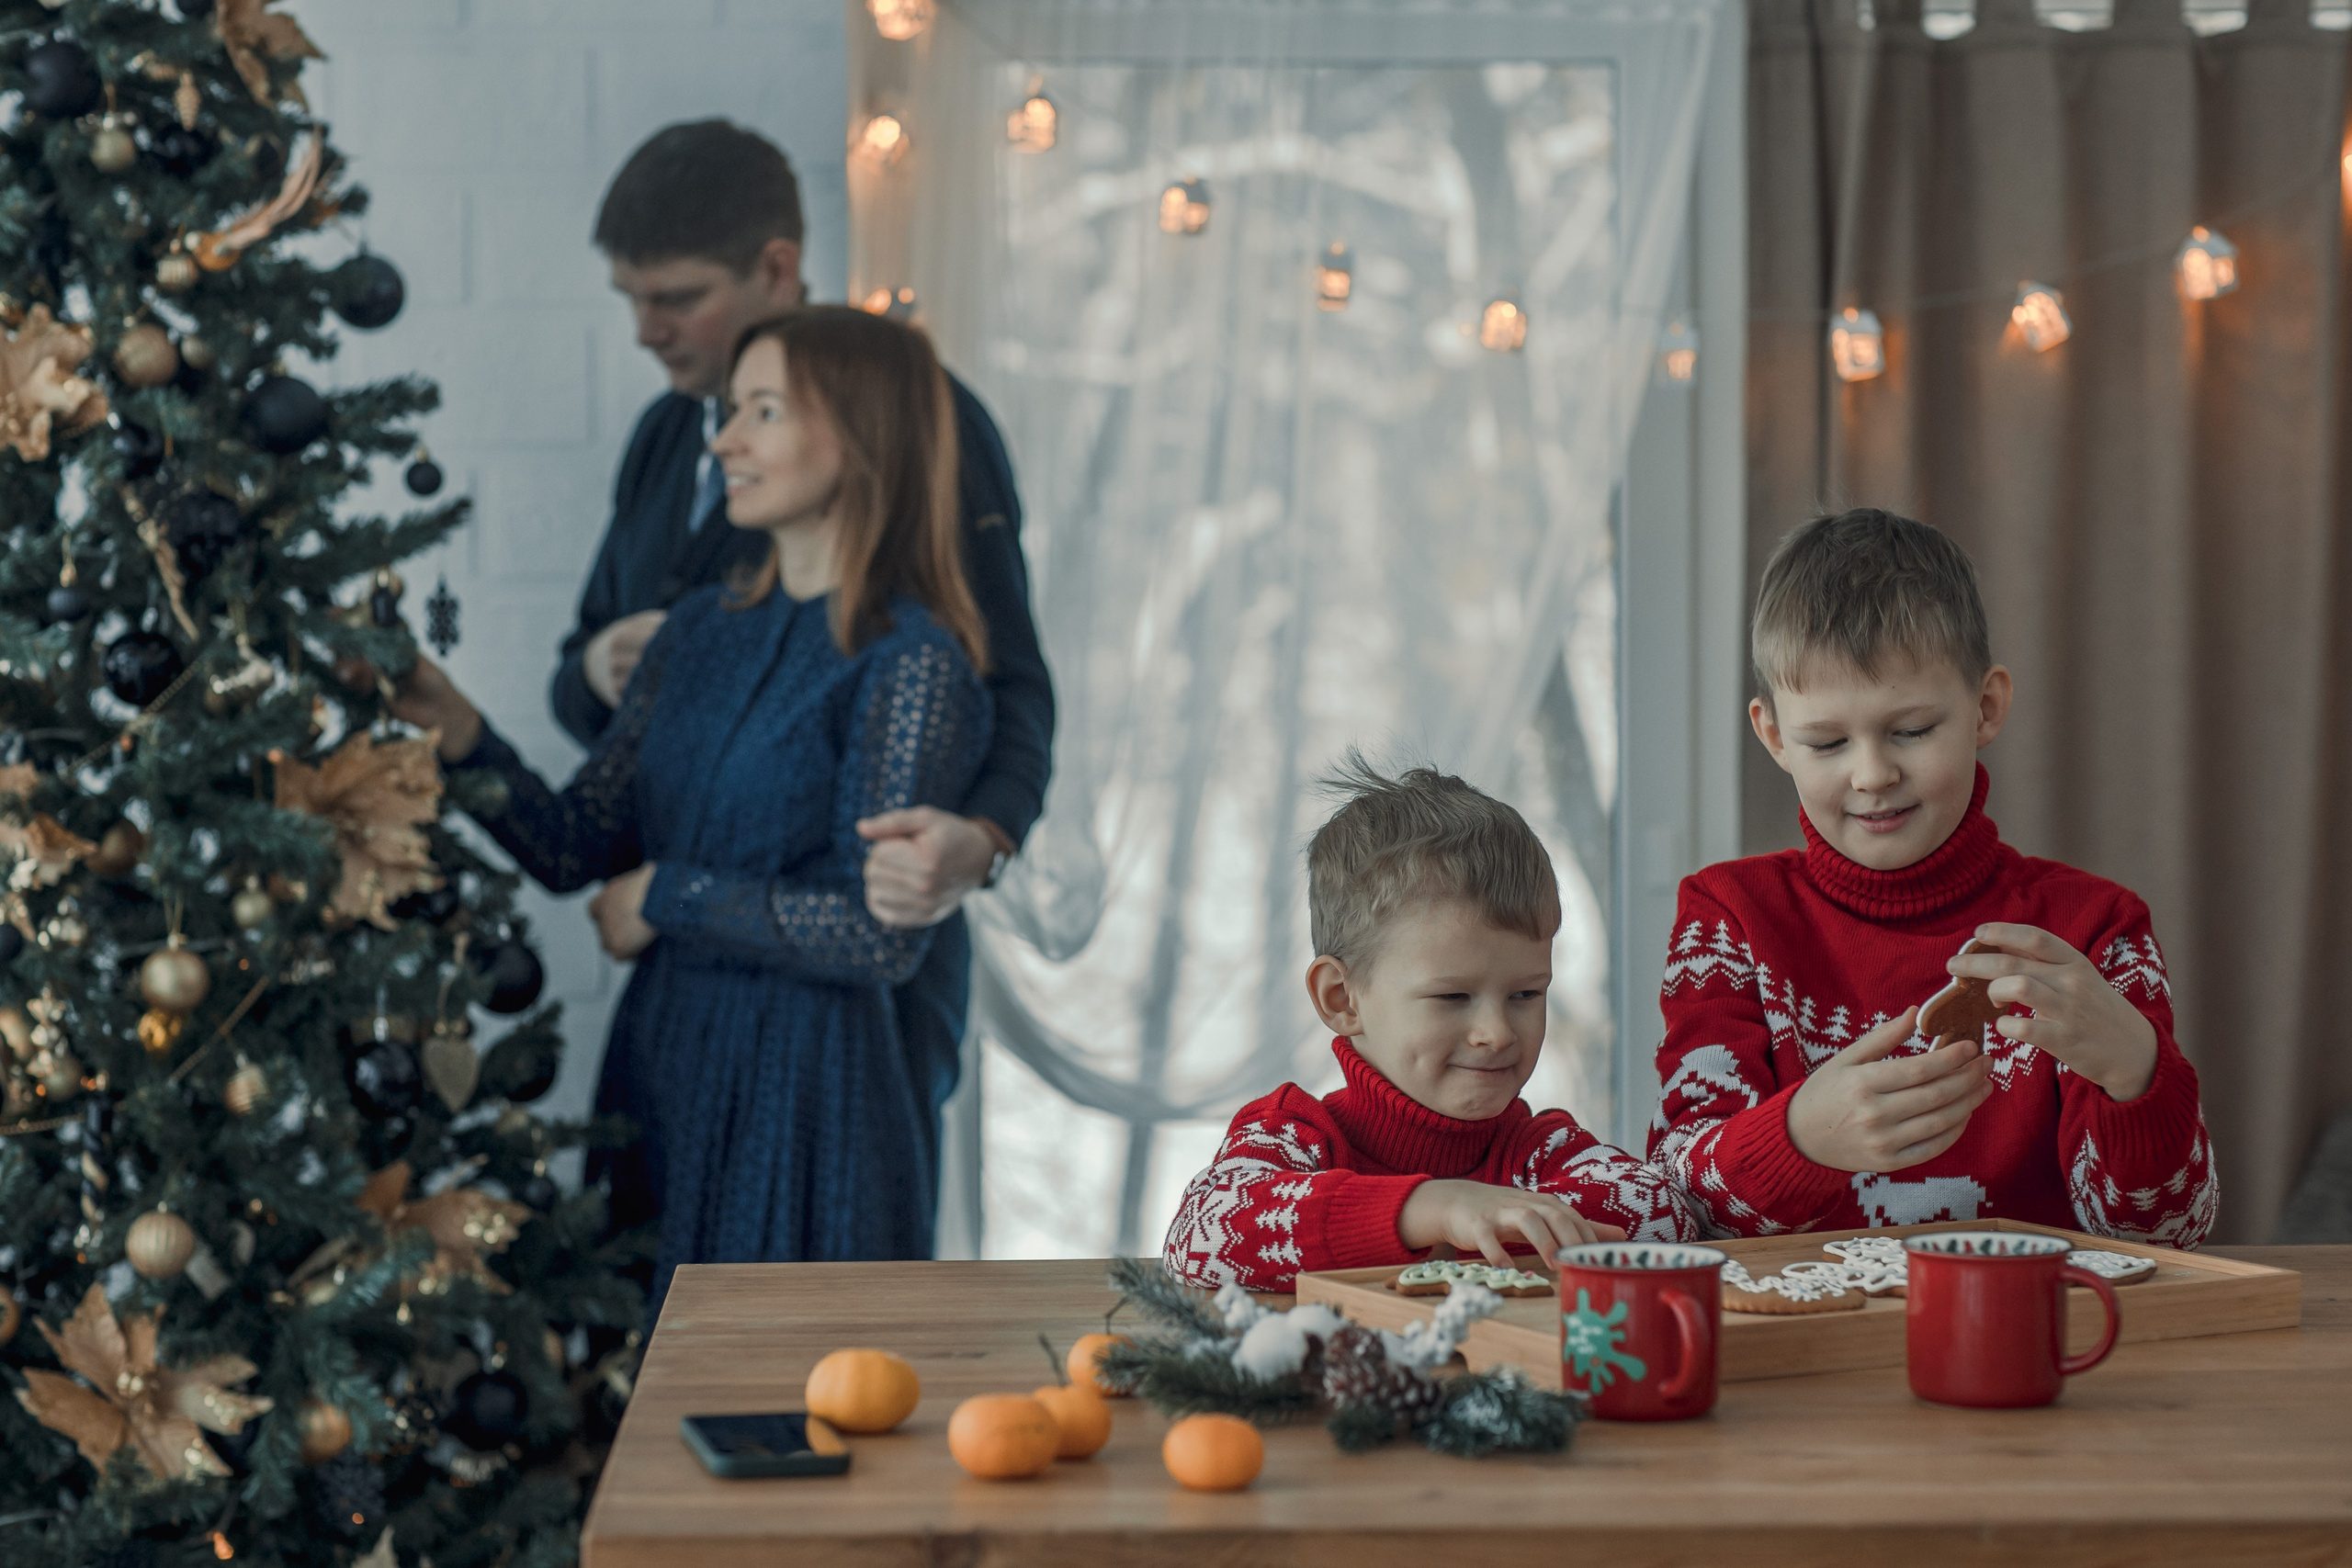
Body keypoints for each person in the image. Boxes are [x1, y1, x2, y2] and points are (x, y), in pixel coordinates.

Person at [393, 309, 992, 1298]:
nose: (723, 442)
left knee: (785, 1416)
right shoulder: (696, 634)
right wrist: (454, 729)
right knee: (638, 1403)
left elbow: (875, 938)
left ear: (860, 435)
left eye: (762, 412)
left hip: (811, 1099)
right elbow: (572, 843)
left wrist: (668, 897)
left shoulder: (914, 664)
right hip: (665, 1069)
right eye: (729, 411)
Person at [558, 120, 1054, 1230]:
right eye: (629, 298)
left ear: (774, 269)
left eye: (675, 297)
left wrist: (983, 837)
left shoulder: (930, 429)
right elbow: (574, 684)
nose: (646, 330)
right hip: (680, 990)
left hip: (835, 1003)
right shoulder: (659, 442)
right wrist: (604, 665)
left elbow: (1009, 678)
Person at [1650, 509, 2217, 1244]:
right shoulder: (1726, 917)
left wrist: (2137, 1072)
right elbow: (1674, 1209)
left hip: (2028, 1342)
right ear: (1773, 735)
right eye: (1826, 741)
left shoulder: (2095, 931)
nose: (1873, 773)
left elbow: (2169, 1232)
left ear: (1985, 709)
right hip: (1804, 1347)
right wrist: (1799, 1138)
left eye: (1911, 730)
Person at [1163, 759, 1694, 1292]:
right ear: (1341, 998)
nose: (1498, 1032)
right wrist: (1432, 1208)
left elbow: (1663, 1213)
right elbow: (1201, 1234)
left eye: (1526, 994)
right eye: (1452, 996)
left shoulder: (1543, 1152)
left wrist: (1483, 1222)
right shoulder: (1293, 1138)